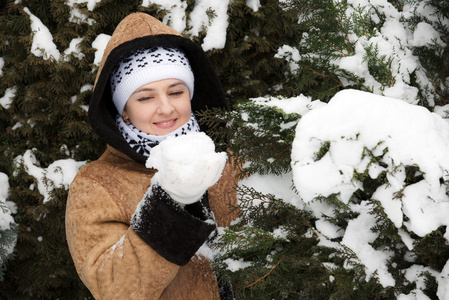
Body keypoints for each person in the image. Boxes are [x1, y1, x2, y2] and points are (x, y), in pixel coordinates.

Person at [65, 12, 239, 299]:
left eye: (176, 92)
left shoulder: (230, 160)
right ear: (124, 109)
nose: (166, 108)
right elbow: (114, 289)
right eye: (145, 97)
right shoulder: (96, 185)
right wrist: (169, 205)